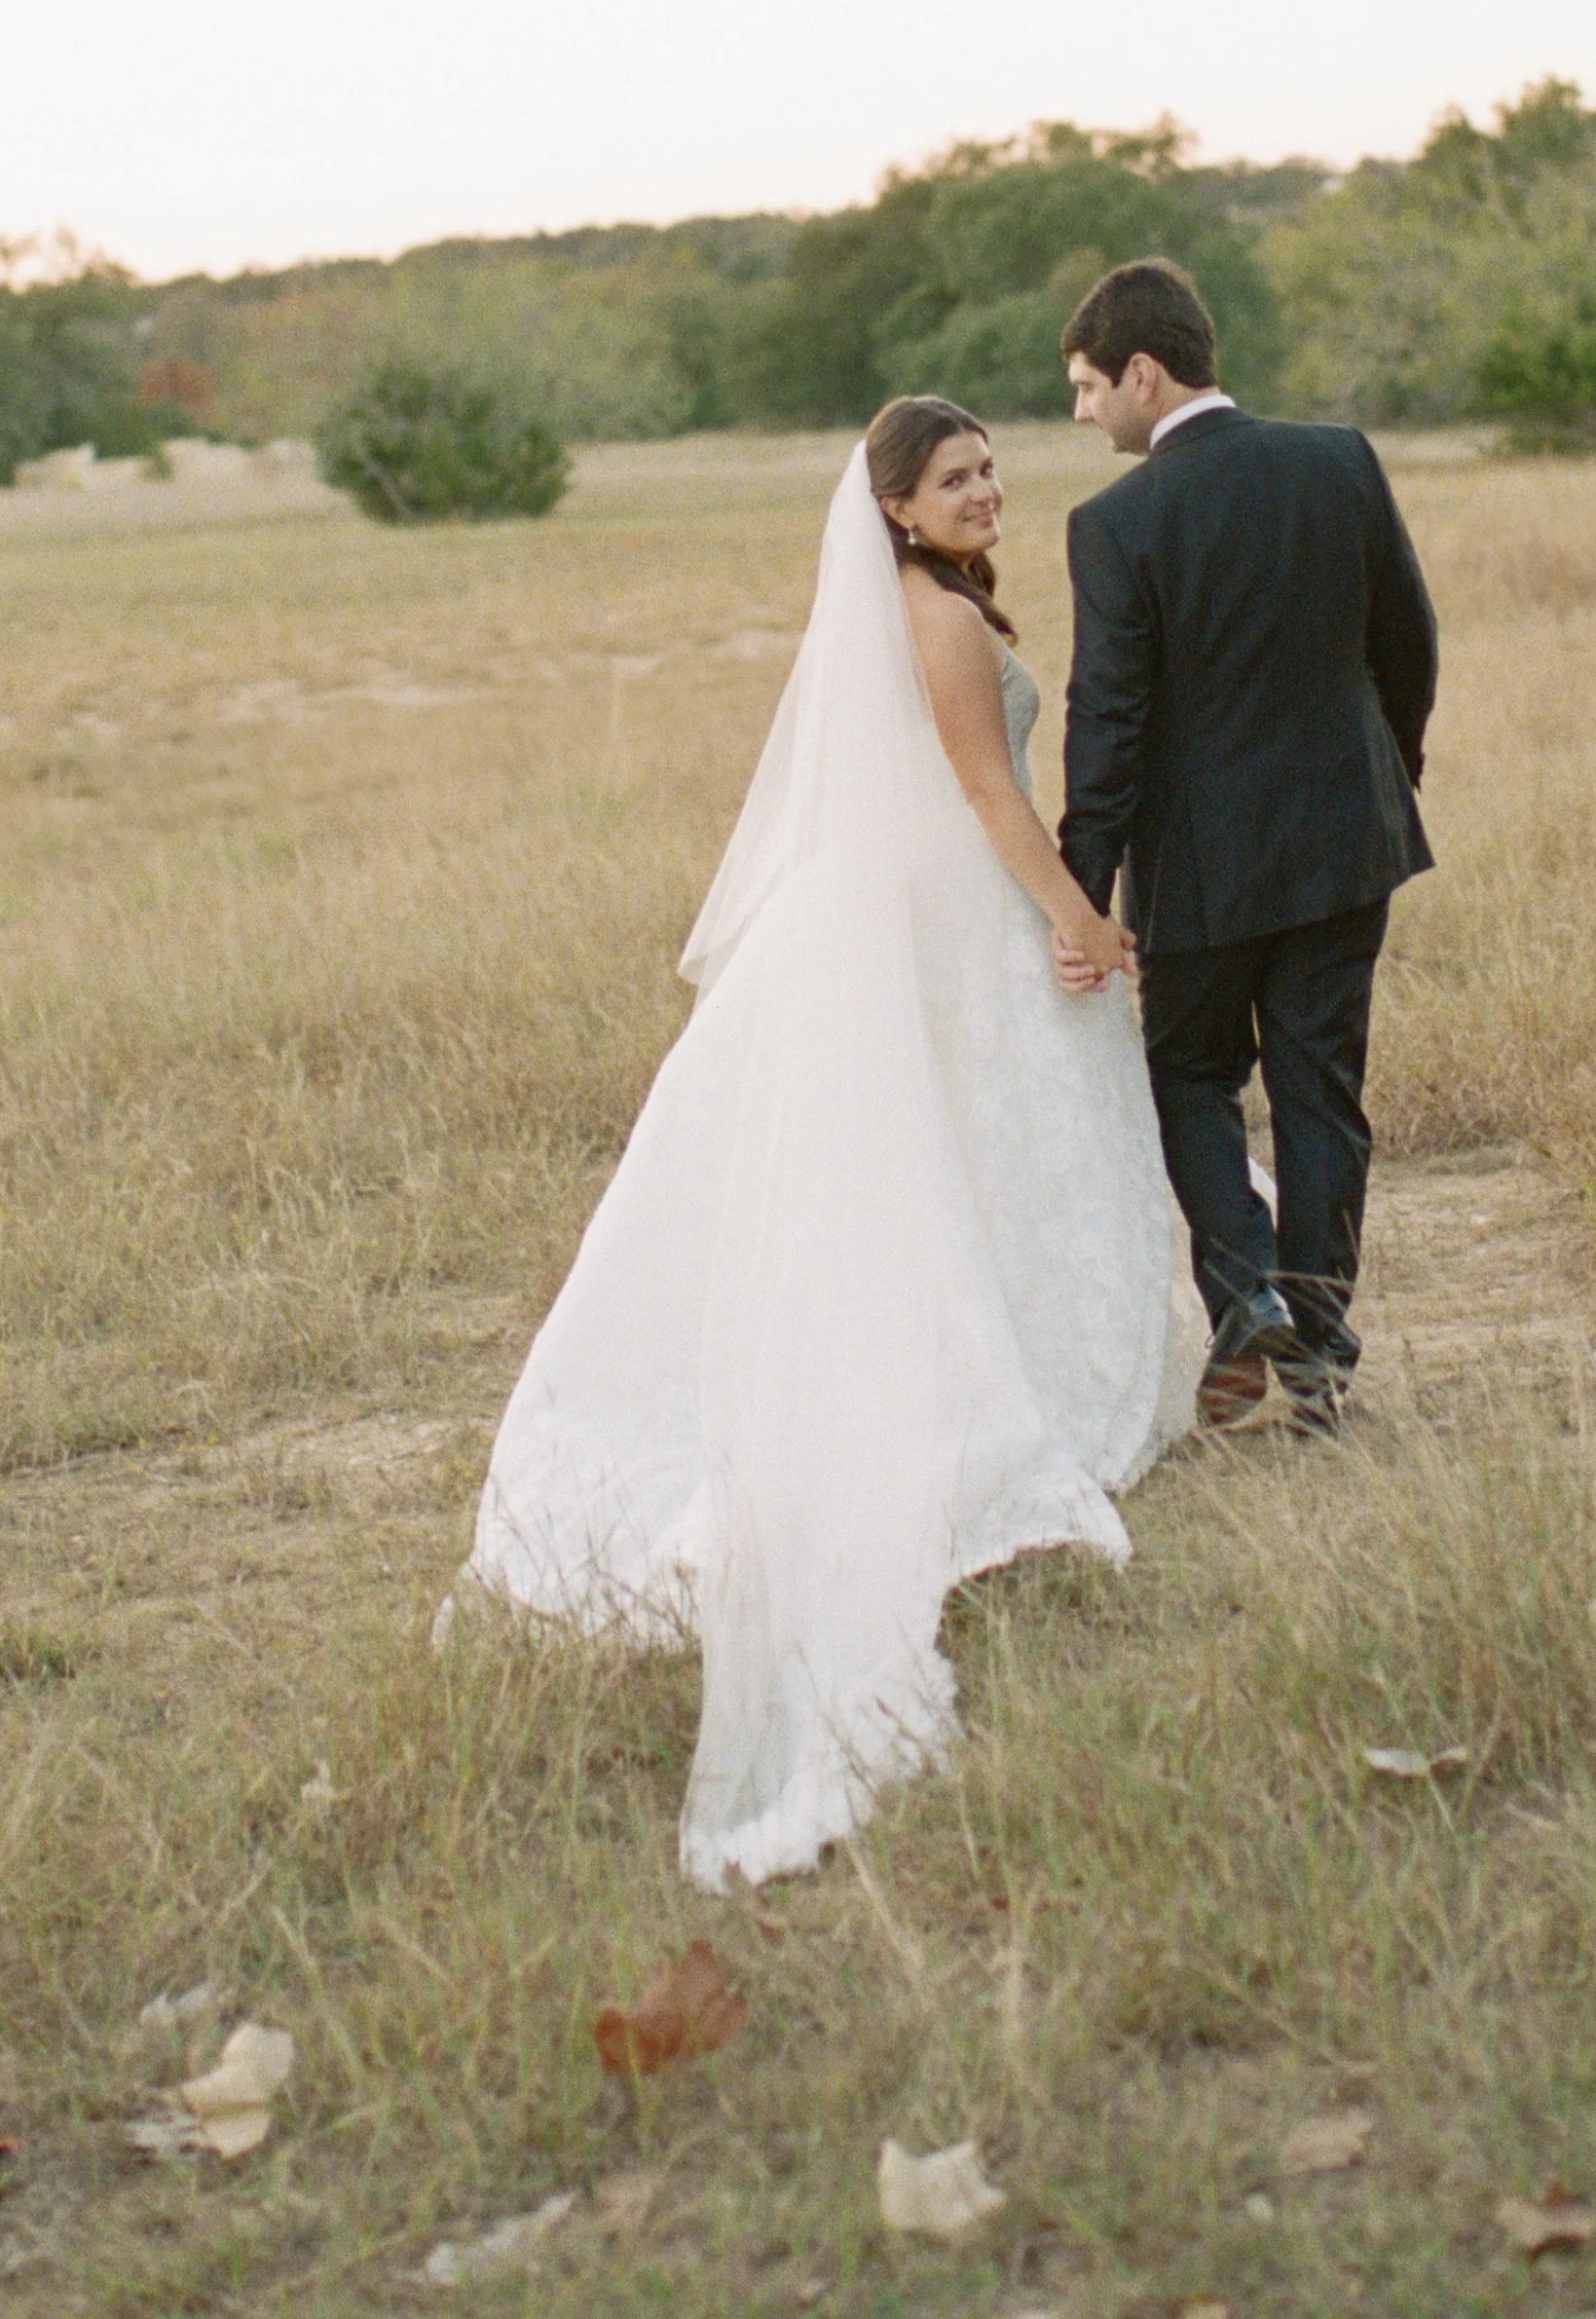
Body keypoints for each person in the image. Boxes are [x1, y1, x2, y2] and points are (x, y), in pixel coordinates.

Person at [442, 401, 1195, 1887]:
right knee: (972, 1159)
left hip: (897, 911)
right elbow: (989, 793)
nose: (989, 490)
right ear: (898, 510)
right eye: (956, 478)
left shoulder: (920, 610)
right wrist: (1081, 920)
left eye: (992, 467)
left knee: (950, 1168)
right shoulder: (945, 627)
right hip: (955, 920)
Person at [1058, 259, 1439, 1434]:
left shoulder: (1117, 522)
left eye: (1084, 386)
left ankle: (1246, 1288)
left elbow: (1107, 720)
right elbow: (1409, 642)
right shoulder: (1339, 458)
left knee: (1189, 1076)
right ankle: (1320, 1352)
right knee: (1322, 1094)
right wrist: (1384, 779)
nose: (1080, 412)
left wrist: (1084, 893)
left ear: (1142, 371)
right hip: (1344, 842)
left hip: (1206, 872)